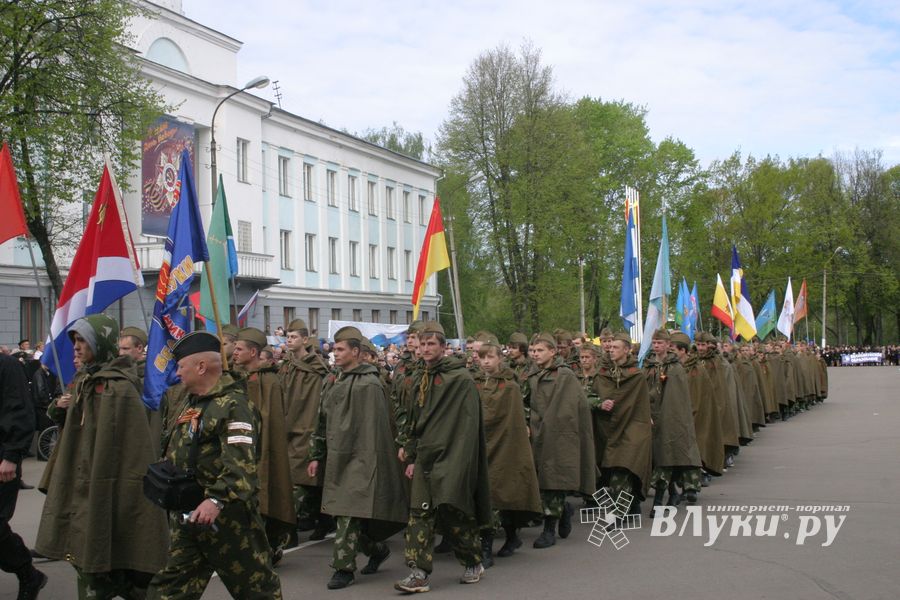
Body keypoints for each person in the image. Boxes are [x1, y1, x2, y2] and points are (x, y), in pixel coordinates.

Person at [35, 315, 168, 599]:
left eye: (83, 340)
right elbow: (74, 428)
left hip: (107, 480)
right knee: (87, 553)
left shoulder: (117, 387)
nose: (76, 347)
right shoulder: (85, 380)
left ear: (100, 344)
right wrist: (60, 407)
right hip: (82, 476)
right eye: (75, 341)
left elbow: (133, 447)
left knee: (112, 556)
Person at [146, 331, 282, 599]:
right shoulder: (192, 402)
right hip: (192, 517)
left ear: (201, 366)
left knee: (257, 590)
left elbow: (242, 467)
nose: (177, 373)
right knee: (169, 589)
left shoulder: (234, 406)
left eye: (181, 366)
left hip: (229, 522)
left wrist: (216, 500)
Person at [308, 327, 408, 590]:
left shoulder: (371, 383)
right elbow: (321, 420)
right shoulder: (331, 381)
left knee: (347, 512)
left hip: (362, 458)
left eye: (341, 349)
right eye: (335, 348)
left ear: (356, 352)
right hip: (336, 457)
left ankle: (343, 569)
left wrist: (370, 460)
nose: (335, 353)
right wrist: (316, 455)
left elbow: (377, 429)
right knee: (347, 512)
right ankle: (376, 550)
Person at [395, 321, 491, 593]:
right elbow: (415, 419)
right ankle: (419, 572)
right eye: (422, 343)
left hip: (452, 455)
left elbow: (468, 426)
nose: (425, 349)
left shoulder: (460, 379)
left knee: (452, 511)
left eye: (431, 344)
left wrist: (461, 462)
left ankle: (473, 560)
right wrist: (411, 454)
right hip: (426, 454)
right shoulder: (419, 377)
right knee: (419, 513)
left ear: (443, 346)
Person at [474, 337, 541, 561]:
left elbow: (512, 418)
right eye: (481, 357)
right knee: (488, 495)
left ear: (500, 358)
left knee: (500, 494)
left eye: (490, 357)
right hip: (480, 445)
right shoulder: (473, 382)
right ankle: (509, 537)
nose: (485, 362)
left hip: (504, 447)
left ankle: (488, 546)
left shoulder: (510, 385)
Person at [232, 327, 296, 562]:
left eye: (239, 349)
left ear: (253, 351)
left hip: (263, 449)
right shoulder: (236, 378)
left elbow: (271, 422)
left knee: (265, 495)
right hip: (240, 448)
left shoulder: (269, 381)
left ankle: (266, 548)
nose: (234, 353)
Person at [527, 333, 595, 549]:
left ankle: (549, 529)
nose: (535, 354)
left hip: (559, 433)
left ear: (553, 352)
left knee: (553, 477)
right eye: (533, 351)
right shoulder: (532, 373)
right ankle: (564, 509)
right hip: (536, 431)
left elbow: (568, 407)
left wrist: (549, 424)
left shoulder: (564, 375)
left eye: (540, 350)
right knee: (540, 478)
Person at [277, 318, 332, 542]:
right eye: (287, 337)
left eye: (294, 337)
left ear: (305, 340)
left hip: (308, 428)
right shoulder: (286, 366)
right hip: (289, 426)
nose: (289, 341)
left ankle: (291, 531)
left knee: (302, 483)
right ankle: (323, 520)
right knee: (301, 481)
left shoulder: (318, 367)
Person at [0, 351, 47, 598]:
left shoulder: (6, 365)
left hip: (2, 460)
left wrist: (11, 455)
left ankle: (28, 573)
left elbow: (18, 409)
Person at [591, 332, 652, 512]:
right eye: (609, 347)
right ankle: (632, 507)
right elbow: (587, 396)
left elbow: (641, 405)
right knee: (610, 470)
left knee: (624, 468)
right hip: (607, 429)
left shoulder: (637, 376)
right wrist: (599, 403)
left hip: (631, 428)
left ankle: (620, 513)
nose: (610, 350)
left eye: (616, 347)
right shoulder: (602, 373)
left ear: (627, 350)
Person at [643, 329, 702, 513]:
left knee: (666, 456)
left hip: (669, 417)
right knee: (657, 456)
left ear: (668, 344)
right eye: (654, 342)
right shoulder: (649, 365)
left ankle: (658, 501)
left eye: (660, 342)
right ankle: (672, 492)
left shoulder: (675, 368)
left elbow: (676, 398)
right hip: (651, 415)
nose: (656, 346)